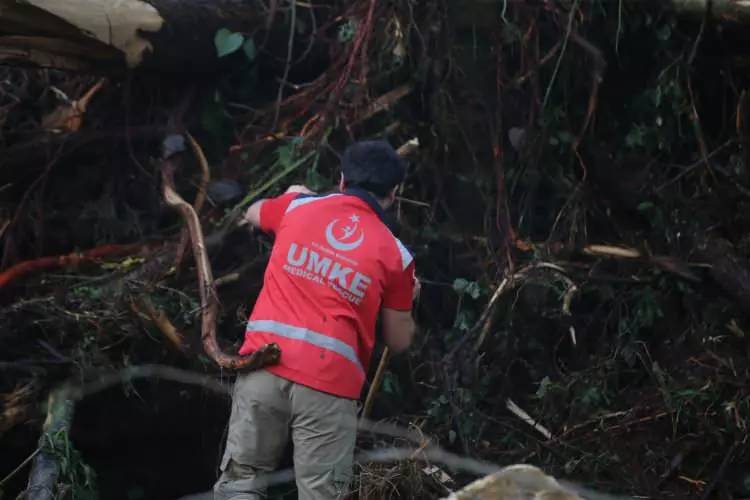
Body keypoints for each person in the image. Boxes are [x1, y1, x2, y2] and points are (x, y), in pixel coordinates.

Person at [214, 140, 420, 500]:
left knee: (243, 481)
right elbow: (399, 340)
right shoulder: (397, 256)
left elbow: (253, 211)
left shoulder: (299, 207)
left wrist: (295, 194)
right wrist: (408, 299)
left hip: (265, 365)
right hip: (329, 385)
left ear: (341, 179)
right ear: (393, 193)